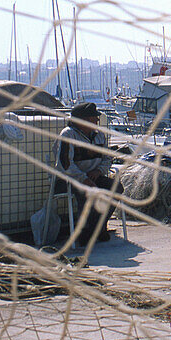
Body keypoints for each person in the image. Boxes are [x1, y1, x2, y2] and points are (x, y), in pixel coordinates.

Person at [53, 102, 120, 245]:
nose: (97, 121)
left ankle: (98, 226)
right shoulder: (68, 135)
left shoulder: (99, 135)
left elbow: (107, 158)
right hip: (70, 179)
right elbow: (65, 164)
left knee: (116, 188)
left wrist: (99, 171)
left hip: (93, 176)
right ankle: (85, 231)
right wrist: (83, 178)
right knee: (87, 192)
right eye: (94, 118)